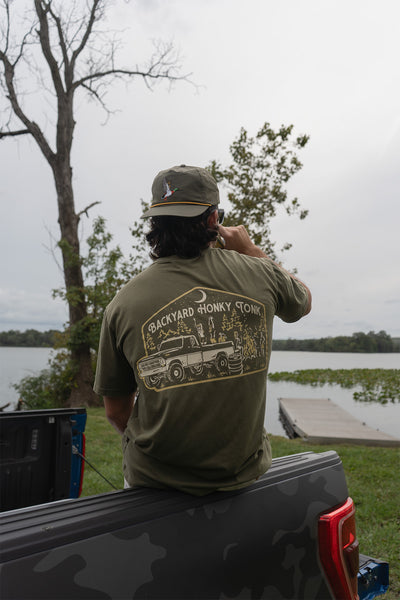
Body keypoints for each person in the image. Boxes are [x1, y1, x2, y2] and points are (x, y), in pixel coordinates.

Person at [93, 164, 311, 496]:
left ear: (155, 223)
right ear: (213, 220)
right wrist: (252, 252)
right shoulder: (260, 273)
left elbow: (116, 410)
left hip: (153, 483)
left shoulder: (122, 303)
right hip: (243, 474)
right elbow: (303, 301)